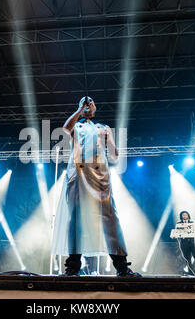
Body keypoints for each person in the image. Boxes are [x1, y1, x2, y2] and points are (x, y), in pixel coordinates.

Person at [51, 96, 140, 277]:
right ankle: (73, 268)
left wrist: (113, 144)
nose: (88, 104)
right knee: (76, 218)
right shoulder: (76, 126)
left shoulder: (103, 128)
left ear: (95, 108)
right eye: (85, 103)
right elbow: (65, 128)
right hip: (78, 173)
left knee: (109, 217)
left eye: (91, 102)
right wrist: (79, 109)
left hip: (100, 175)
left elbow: (114, 155)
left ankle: (122, 267)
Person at [175, 211, 195, 276]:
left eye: (185, 215)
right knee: (187, 259)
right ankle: (191, 273)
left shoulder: (192, 223)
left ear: (188, 216)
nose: (184, 216)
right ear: (181, 216)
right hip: (184, 243)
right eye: (183, 215)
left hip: (192, 243)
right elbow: (176, 232)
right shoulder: (178, 223)